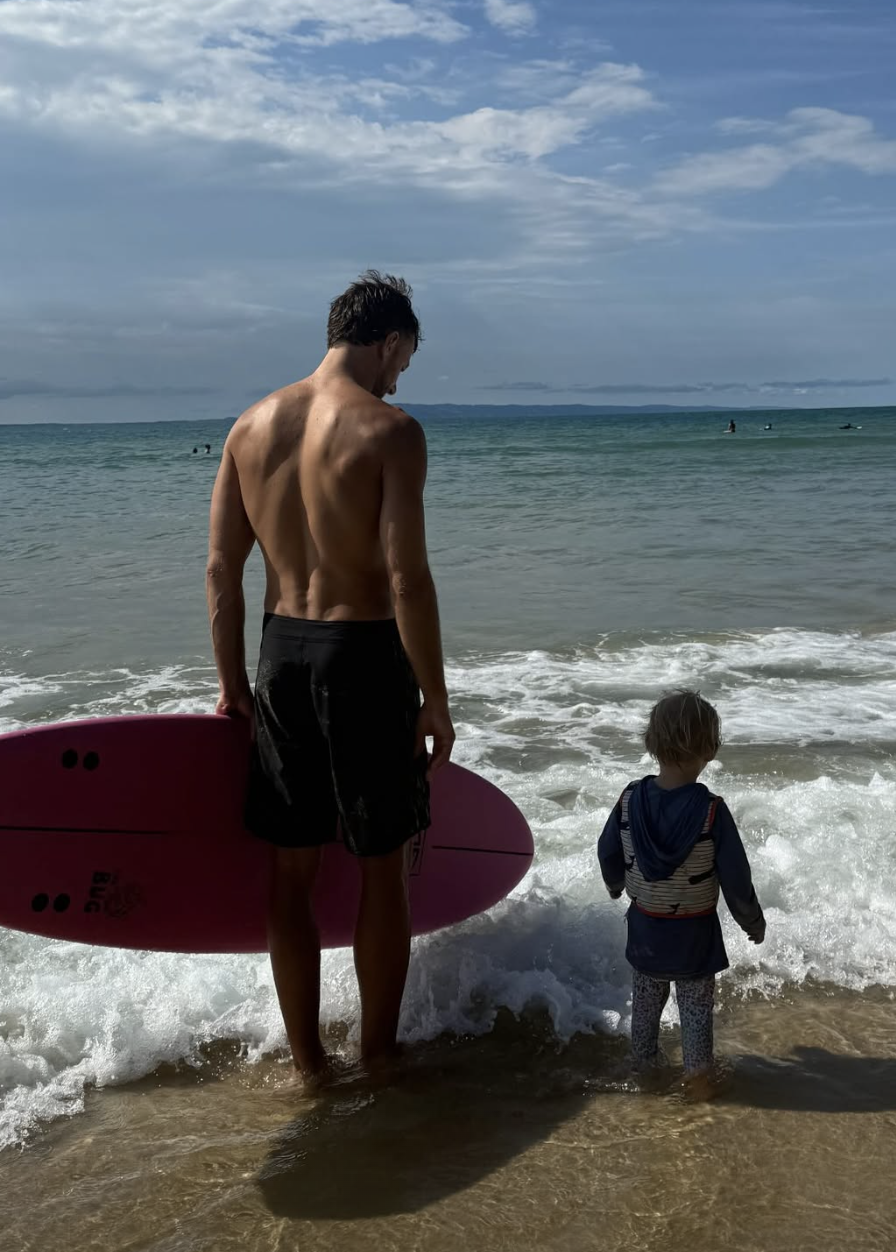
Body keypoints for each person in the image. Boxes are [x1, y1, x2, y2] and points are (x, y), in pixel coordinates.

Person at [206, 271, 455, 1084]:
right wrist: (435, 700)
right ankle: (378, 1057)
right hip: (364, 657)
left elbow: (221, 569)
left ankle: (310, 1065)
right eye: (403, 362)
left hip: (280, 655)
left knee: (291, 870)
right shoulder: (391, 431)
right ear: (390, 341)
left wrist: (232, 685)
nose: (399, 380)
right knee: (381, 865)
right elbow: (407, 580)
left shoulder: (249, 427)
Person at [597, 690, 765, 1087]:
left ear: (652, 743)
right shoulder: (711, 810)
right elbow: (736, 879)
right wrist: (752, 922)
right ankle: (698, 1079)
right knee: (695, 1012)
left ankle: (642, 1072)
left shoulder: (629, 799)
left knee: (645, 1008)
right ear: (709, 749)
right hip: (695, 941)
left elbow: (608, 851)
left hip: (645, 934)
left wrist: (616, 885)